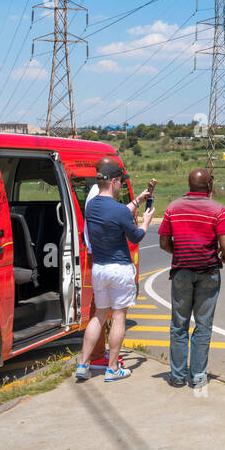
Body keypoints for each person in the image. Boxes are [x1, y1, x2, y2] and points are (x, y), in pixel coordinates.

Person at [75, 157, 153, 382]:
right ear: (114, 182)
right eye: (120, 182)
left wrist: (136, 201)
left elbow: (115, 215)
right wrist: (146, 221)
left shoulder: (91, 206)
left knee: (99, 316)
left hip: (99, 268)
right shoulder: (119, 210)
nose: (121, 186)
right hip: (119, 269)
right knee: (118, 317)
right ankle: (112, 368)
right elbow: (136, 235)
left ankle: (83, 364)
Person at [159, 167, 225, 389]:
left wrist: (181, 253)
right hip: (209, 273)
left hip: (181, 272)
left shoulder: (173, 207)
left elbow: (163, 242)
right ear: (209, 185)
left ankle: (178, 376)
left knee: (178, 325)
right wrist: (223, 254)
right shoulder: (218, 210)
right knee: (203, 325)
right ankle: (199, 376)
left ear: (189, 185)